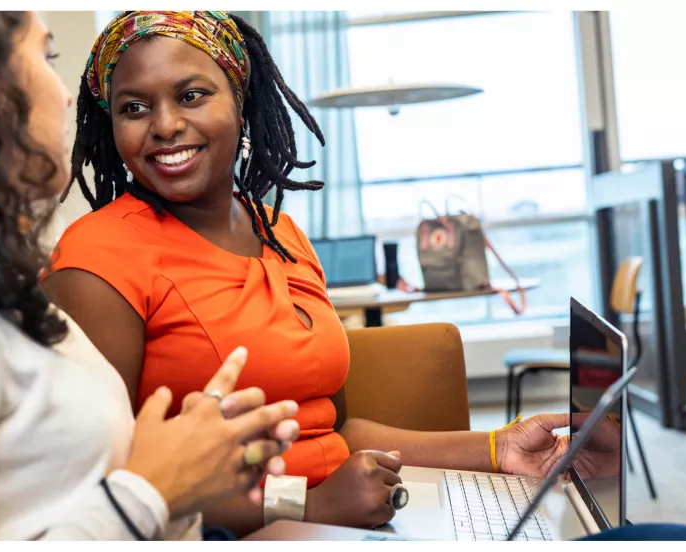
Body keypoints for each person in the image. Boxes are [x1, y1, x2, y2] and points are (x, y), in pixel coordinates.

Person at [45, 10, 619, 537]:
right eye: (134, 108)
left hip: (340, 517)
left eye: (192, 95)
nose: (165, 125)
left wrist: (500, 448)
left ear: (240, 102)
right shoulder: (99, 255)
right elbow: (105, 483)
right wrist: (310, 505)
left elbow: (335, 434)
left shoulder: (281, 235)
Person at [0, 12, 301, 540]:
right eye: (45, 58)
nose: (69, 98)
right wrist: (149, 489)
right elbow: (133, 492)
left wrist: (192, 472)